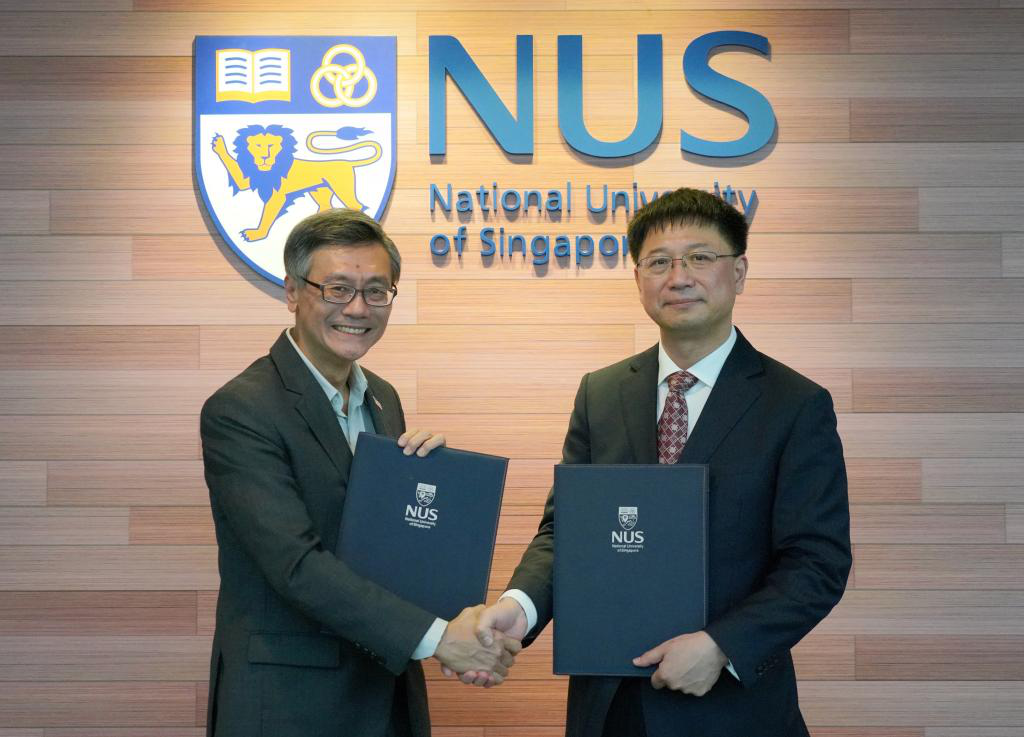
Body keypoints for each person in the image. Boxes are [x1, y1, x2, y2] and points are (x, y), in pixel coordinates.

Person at [458, 188, 852, 737]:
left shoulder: (795, 405)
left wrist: (720, 646)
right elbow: (566, 531)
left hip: (733, 711)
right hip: (610, 704)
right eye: (659, 262)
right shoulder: (601, 393)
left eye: (700, 258)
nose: (679, 277)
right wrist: (518, 608)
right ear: (638, 277)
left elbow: (816, 563)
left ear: (739, 272)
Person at [200, 208, 520, 737]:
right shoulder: (242, 409)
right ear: (292, 292)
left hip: (384, 691)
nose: (357, 308)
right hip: (288, 703)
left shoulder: (382, 398)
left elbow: (384, 549)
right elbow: (296, 564)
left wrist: (424, 484)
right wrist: (441, 638)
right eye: (337, 289)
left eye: (376, 291)